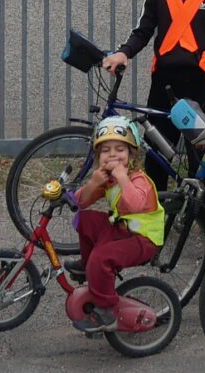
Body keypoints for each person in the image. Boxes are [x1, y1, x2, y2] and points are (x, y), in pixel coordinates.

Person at [67, 115, 164, 335]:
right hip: (122, 231)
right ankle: (88, 265)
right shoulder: (107, 179)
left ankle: (106, 310)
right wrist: (93, 183)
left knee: (101, 259)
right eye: (105, 150)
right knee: (86, 219)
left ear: (132, 154)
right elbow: (80, 202)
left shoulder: (139, 180)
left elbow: (136, 203)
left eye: (120, 149)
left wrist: (123, 178)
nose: (112, 155)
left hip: (143, 239)